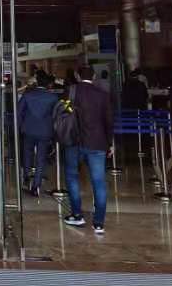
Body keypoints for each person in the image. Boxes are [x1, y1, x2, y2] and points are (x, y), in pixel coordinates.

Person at [63, 66, 113, 235]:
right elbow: (108, 121)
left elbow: (63, 114)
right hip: (97, 142)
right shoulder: (103, 95)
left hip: (74, 141)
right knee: (99, 182)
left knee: (72, 176)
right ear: (94, 77)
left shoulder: (71, 91)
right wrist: (110, 143)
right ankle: (99, 223)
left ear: (77, 75)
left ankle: (77, 215)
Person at [18, 71, 58, 196]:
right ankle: (36, 185)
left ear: (37, 82)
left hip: (28, 129)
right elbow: (56, 116)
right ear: (48, 84)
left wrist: (21, 126)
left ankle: (26, 177)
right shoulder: (53, 97)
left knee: (27, 154)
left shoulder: (27, 95)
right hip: (45, 131)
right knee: (41, 158)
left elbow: (19, 112)